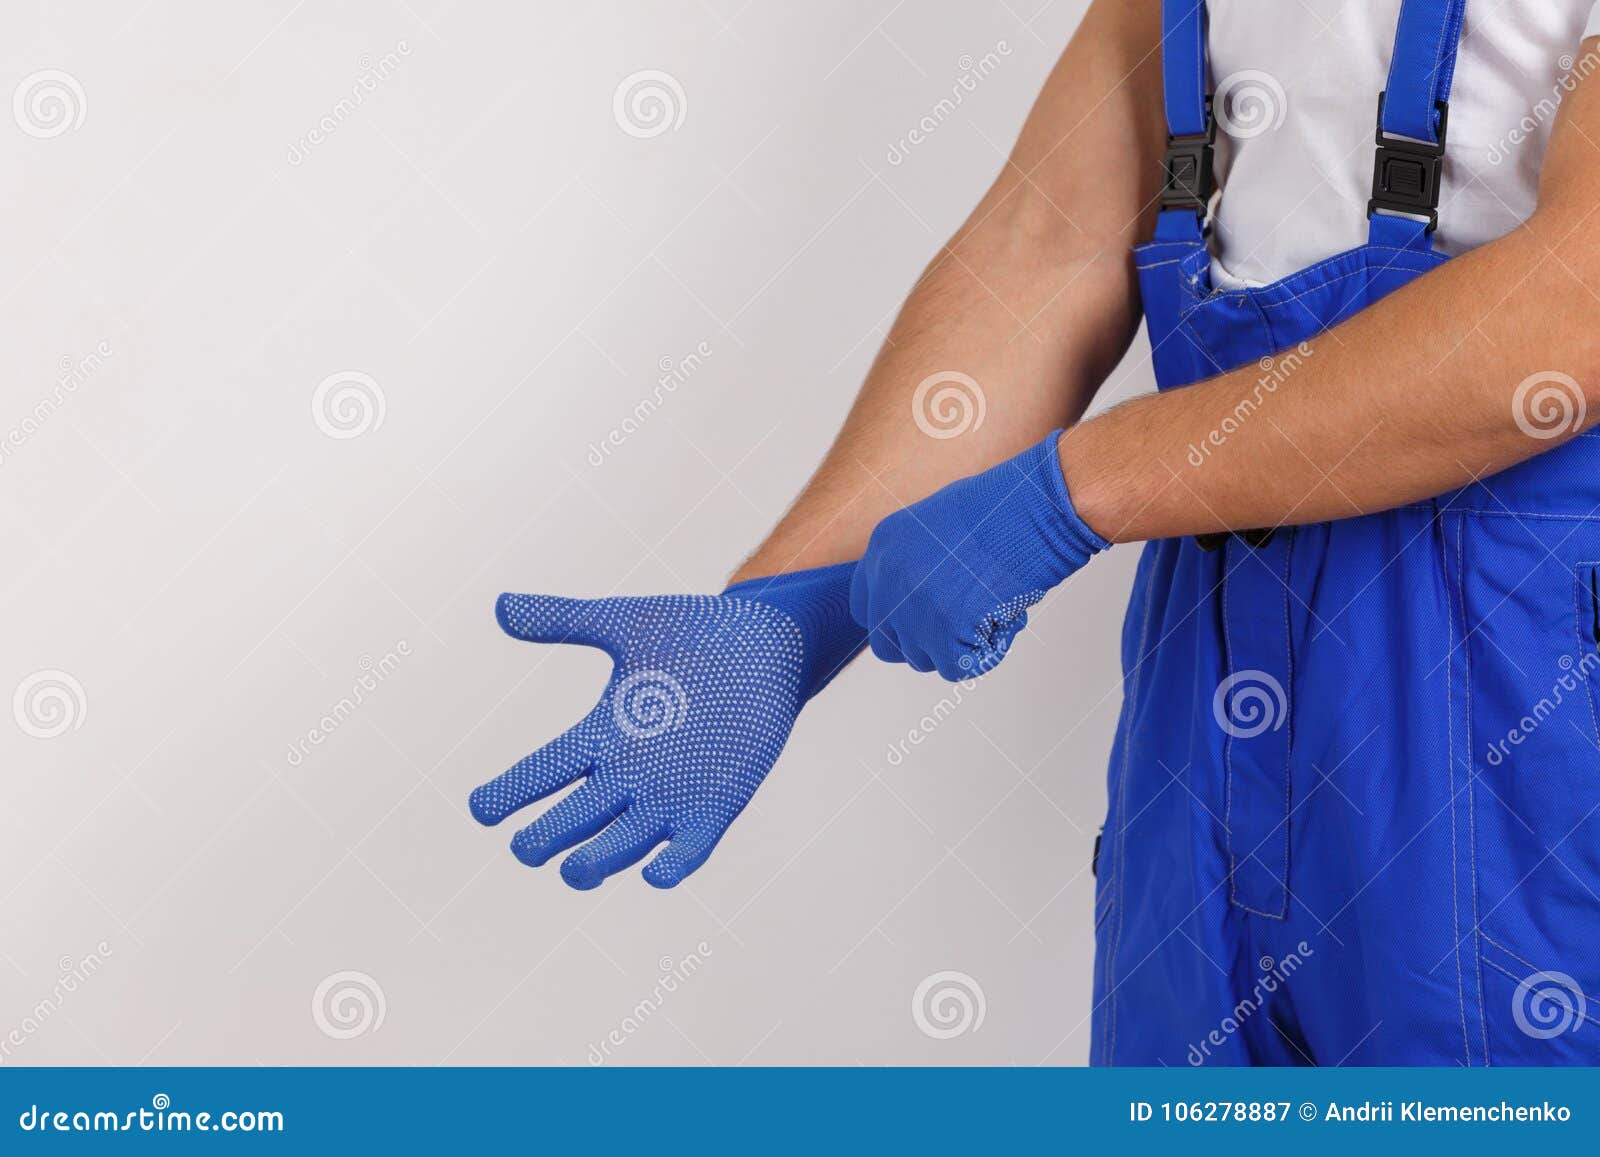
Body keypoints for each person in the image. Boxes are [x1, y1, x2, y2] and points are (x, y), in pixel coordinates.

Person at [469, 0, 1600, 1065]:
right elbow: (1044, 251)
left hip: (1521, 703)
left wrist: (1075, 490)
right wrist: (781, 609)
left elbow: (1573, 304)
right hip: (1213, 708)